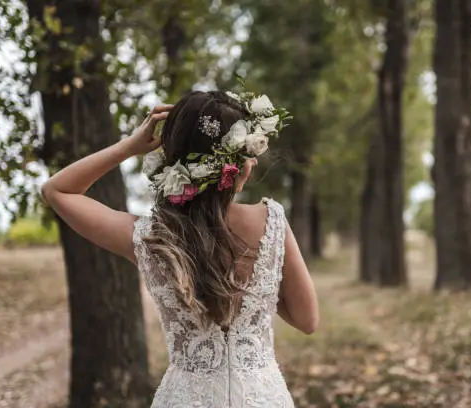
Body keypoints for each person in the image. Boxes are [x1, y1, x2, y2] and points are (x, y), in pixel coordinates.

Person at [42, 90, 319, 407]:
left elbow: (56, 190)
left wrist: (129, 147)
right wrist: (262, 287)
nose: (253, 161)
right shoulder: (272, 223)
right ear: (235, 164)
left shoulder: (151, 238)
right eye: (247, 152)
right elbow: (307, 320)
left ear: (172, 159)